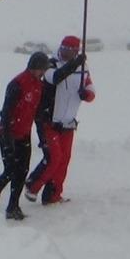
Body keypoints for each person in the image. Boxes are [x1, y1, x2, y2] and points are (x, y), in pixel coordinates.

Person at [25, 36, 93, 205]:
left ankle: (53, 194)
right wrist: (75, 63)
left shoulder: (83, 69)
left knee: (64, 160)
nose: (65, 52)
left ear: (76, 51)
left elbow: (91, 88)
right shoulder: (50, 65)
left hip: (68, 122)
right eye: (63, 48)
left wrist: (87, 95)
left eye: (69, 50)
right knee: (54, 157)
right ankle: (33, 185)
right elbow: (55, 78)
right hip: (49, 121)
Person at [0, 52, 50, 220]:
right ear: (35, 67)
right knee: (10, 170)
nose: (43, 73)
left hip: (24, 134)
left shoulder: (39, 86)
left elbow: (37, 114)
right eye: (42, 69)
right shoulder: (18, 83)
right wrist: (7, 139)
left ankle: (13, 205)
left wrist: (42, 137)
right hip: (8, 133)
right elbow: (6, 113)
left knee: (22, 171)